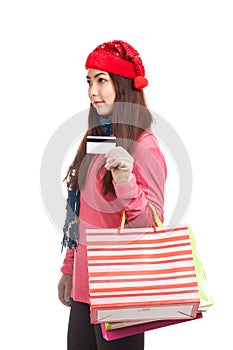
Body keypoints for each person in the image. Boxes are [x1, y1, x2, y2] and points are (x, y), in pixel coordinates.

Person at [58, 40, 167, 350]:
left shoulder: (145, 147)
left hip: (122, 289)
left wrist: (125, 180)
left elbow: (150, 227)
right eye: (89, 81)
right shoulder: (96, 141)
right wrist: (69, 269)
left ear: (123, 85)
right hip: (84, 288)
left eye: (102, 80)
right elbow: (81, 214)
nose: (93, 91)